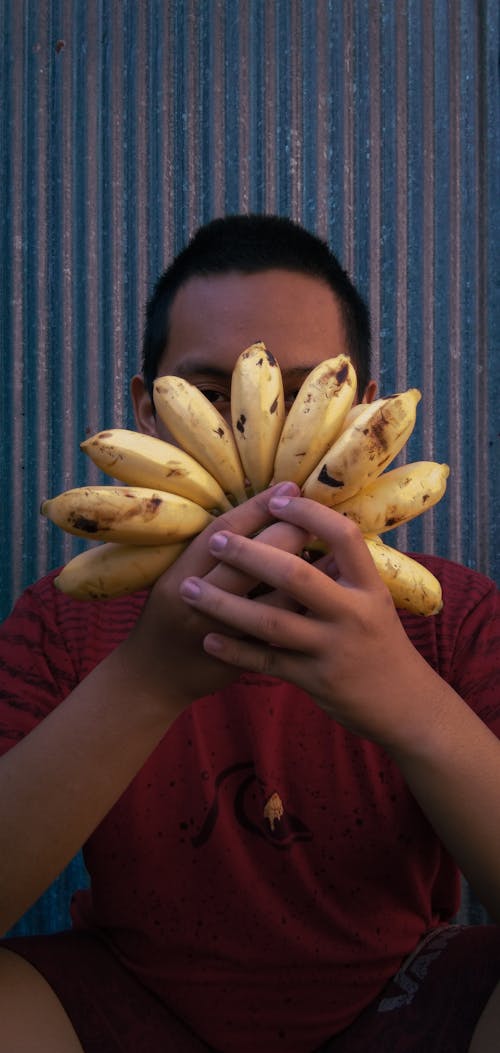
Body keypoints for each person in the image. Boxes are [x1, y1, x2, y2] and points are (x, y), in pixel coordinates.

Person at [0, 214, 499, 1053]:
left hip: (402, 1000)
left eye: (303, 390)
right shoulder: (64, 615)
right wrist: (147, 680)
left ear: (365, 415)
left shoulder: (450, 613)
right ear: (146, 415)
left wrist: (408, 700)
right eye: (206, 393)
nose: (254, 428)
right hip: (134, 1000)